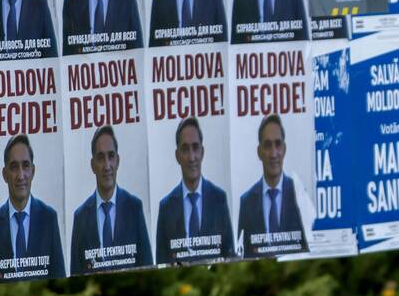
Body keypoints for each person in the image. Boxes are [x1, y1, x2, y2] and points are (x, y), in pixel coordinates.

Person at [0, 135, 66, 283]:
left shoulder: (49, 218)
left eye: (25, 165)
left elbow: (59, 275)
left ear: (33, 171)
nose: (21, 176)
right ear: (4, 174)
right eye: (14, 167)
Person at [70, 126, 153, 275]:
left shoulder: (134, 208)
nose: (107, 166)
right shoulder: (80, 216)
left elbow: (146, 264)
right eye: (101, 158)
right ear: (92, 165)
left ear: (118, 160)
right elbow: (75, 273)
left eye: (111, 156)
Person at [155, 117, 235, 264]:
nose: (192, 157)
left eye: (195, 148)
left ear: (202, 152)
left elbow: (229, 255)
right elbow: (161, 262)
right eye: (185, 149)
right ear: (177, 155)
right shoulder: (166, 207)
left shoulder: (219, 199)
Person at [236, 114, 308, 258]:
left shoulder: (300, 194)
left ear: (284, 149)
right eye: (268, 145)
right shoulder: (246, 202)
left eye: (278, 144)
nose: (274, 153)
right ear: (259, 152)